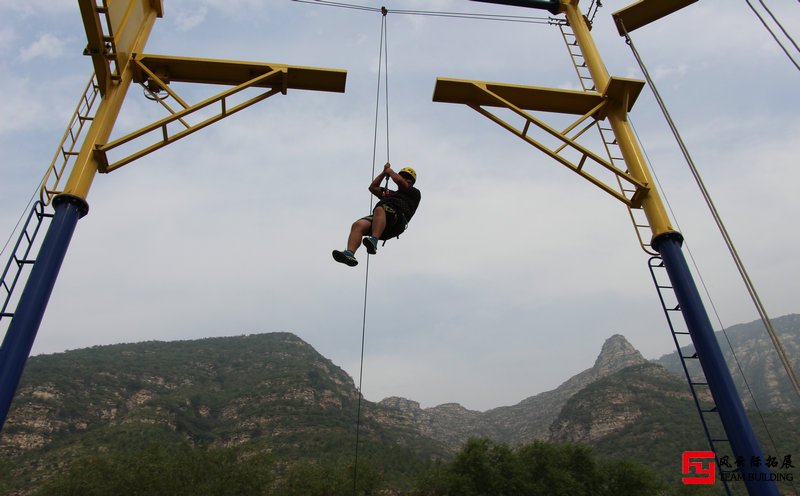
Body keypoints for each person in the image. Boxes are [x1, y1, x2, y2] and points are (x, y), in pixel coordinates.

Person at [332, 163, 421, 267]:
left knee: (380, 209)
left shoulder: (414, 192)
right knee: (358, 225)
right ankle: (350, 253)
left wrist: (390, 172)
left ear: (410, 181)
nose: (402, 178)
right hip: (383, 222)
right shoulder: (391, 194)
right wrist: (384, 173)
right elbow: (373, 187)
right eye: (402, 176)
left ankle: (374, 241)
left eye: (406, 177)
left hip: (397, 220)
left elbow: (399, 181)